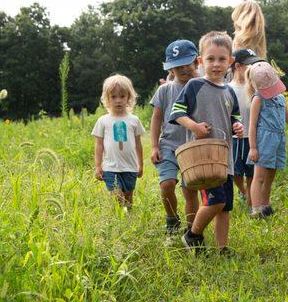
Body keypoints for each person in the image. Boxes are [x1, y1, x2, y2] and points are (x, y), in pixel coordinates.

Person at [169, 31, 245, 253]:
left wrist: (237, 126)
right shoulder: (194, 86)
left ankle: (222, 247)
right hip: (203, 159)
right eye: (210, 59)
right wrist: (194, 126)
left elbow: (235, 117)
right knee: (216, 200)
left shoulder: (229, 91)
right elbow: (177, 112)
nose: (216, 64)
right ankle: (192, 234)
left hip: (225, 159)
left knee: (225, 207)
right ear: (201, 62)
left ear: (230, 62)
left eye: (222, 59)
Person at [150, 40, 200, 235]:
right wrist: (154, 146)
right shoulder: (165, 90)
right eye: (178, 66)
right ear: (171, 69)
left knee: (190, 190)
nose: (184, 69)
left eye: (188, 63)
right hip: (169, 144)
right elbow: (156, 119)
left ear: (196, 62)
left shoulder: (203, 86)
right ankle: (171, 218)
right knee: (167, 184)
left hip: (194, 146)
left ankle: (192, 229)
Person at [245, 61, 288, 218]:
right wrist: (253, 147)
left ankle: (265, 204)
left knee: (271, 173)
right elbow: (252, 126)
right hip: (263, 141)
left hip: (278, 140)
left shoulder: (280, 99)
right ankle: (256, 209)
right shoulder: (258, 99)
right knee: (259, 176)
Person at [93, 74, 145, 208]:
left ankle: (127, 218)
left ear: (129, 97)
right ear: (107, 99)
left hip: (130, 166)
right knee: (118, 196)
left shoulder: (134, 120)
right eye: (113, 97)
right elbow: (99, 145)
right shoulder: (103, 121)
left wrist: (140, 164)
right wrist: (98, 166)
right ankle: (119, 216)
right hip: (110, 167)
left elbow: (138, 144)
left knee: (128, 198)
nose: (118, 100)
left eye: (122, 96)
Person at [229, 49, 265, 207]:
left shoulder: (257, 88)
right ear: (238, 66)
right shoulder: (228, 88)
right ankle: (243, 191)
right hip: (235, 138)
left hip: (253, 138)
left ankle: (251, 202)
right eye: (251, 64)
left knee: (252, 172)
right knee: (236, 173)